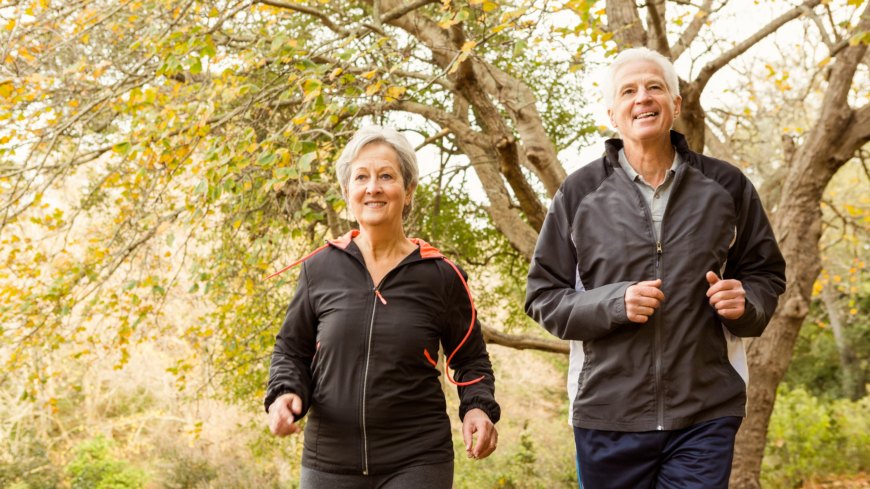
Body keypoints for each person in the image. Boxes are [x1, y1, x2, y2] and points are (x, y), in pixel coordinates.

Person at [524, 47, 786, 488]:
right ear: (612, 112)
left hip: (705, 411)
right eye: (628, 91)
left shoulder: (726, 186)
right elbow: (543, 296)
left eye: (654, 88)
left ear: (676, 104)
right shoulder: (579, 193)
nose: (642, 98)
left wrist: (745, 302)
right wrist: (614, 302)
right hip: (607, 414)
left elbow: (766, 274)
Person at [263, 125, 500, 489]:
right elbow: (292, 351)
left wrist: (478, 407)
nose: (373, 187)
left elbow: (470, 359)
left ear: (408, 191)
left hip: (418, 460)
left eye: (386, 176)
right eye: (362, 177)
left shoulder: (442, 275)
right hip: (328, 460)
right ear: (348, 193)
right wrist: (284, 393)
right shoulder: (319, 268)